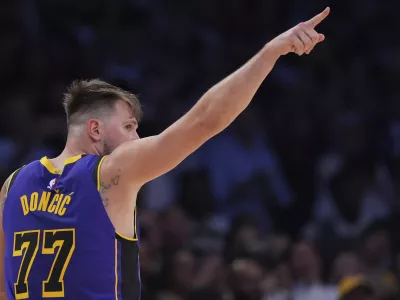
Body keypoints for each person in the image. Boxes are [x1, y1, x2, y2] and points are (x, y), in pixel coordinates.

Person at [0, 7, 330, 300]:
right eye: (129, 127)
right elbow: (204, 121)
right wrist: (270, 53)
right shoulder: (109, 173)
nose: (137, 136)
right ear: (96, 130)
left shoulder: (12, 186)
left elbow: (4, 288)